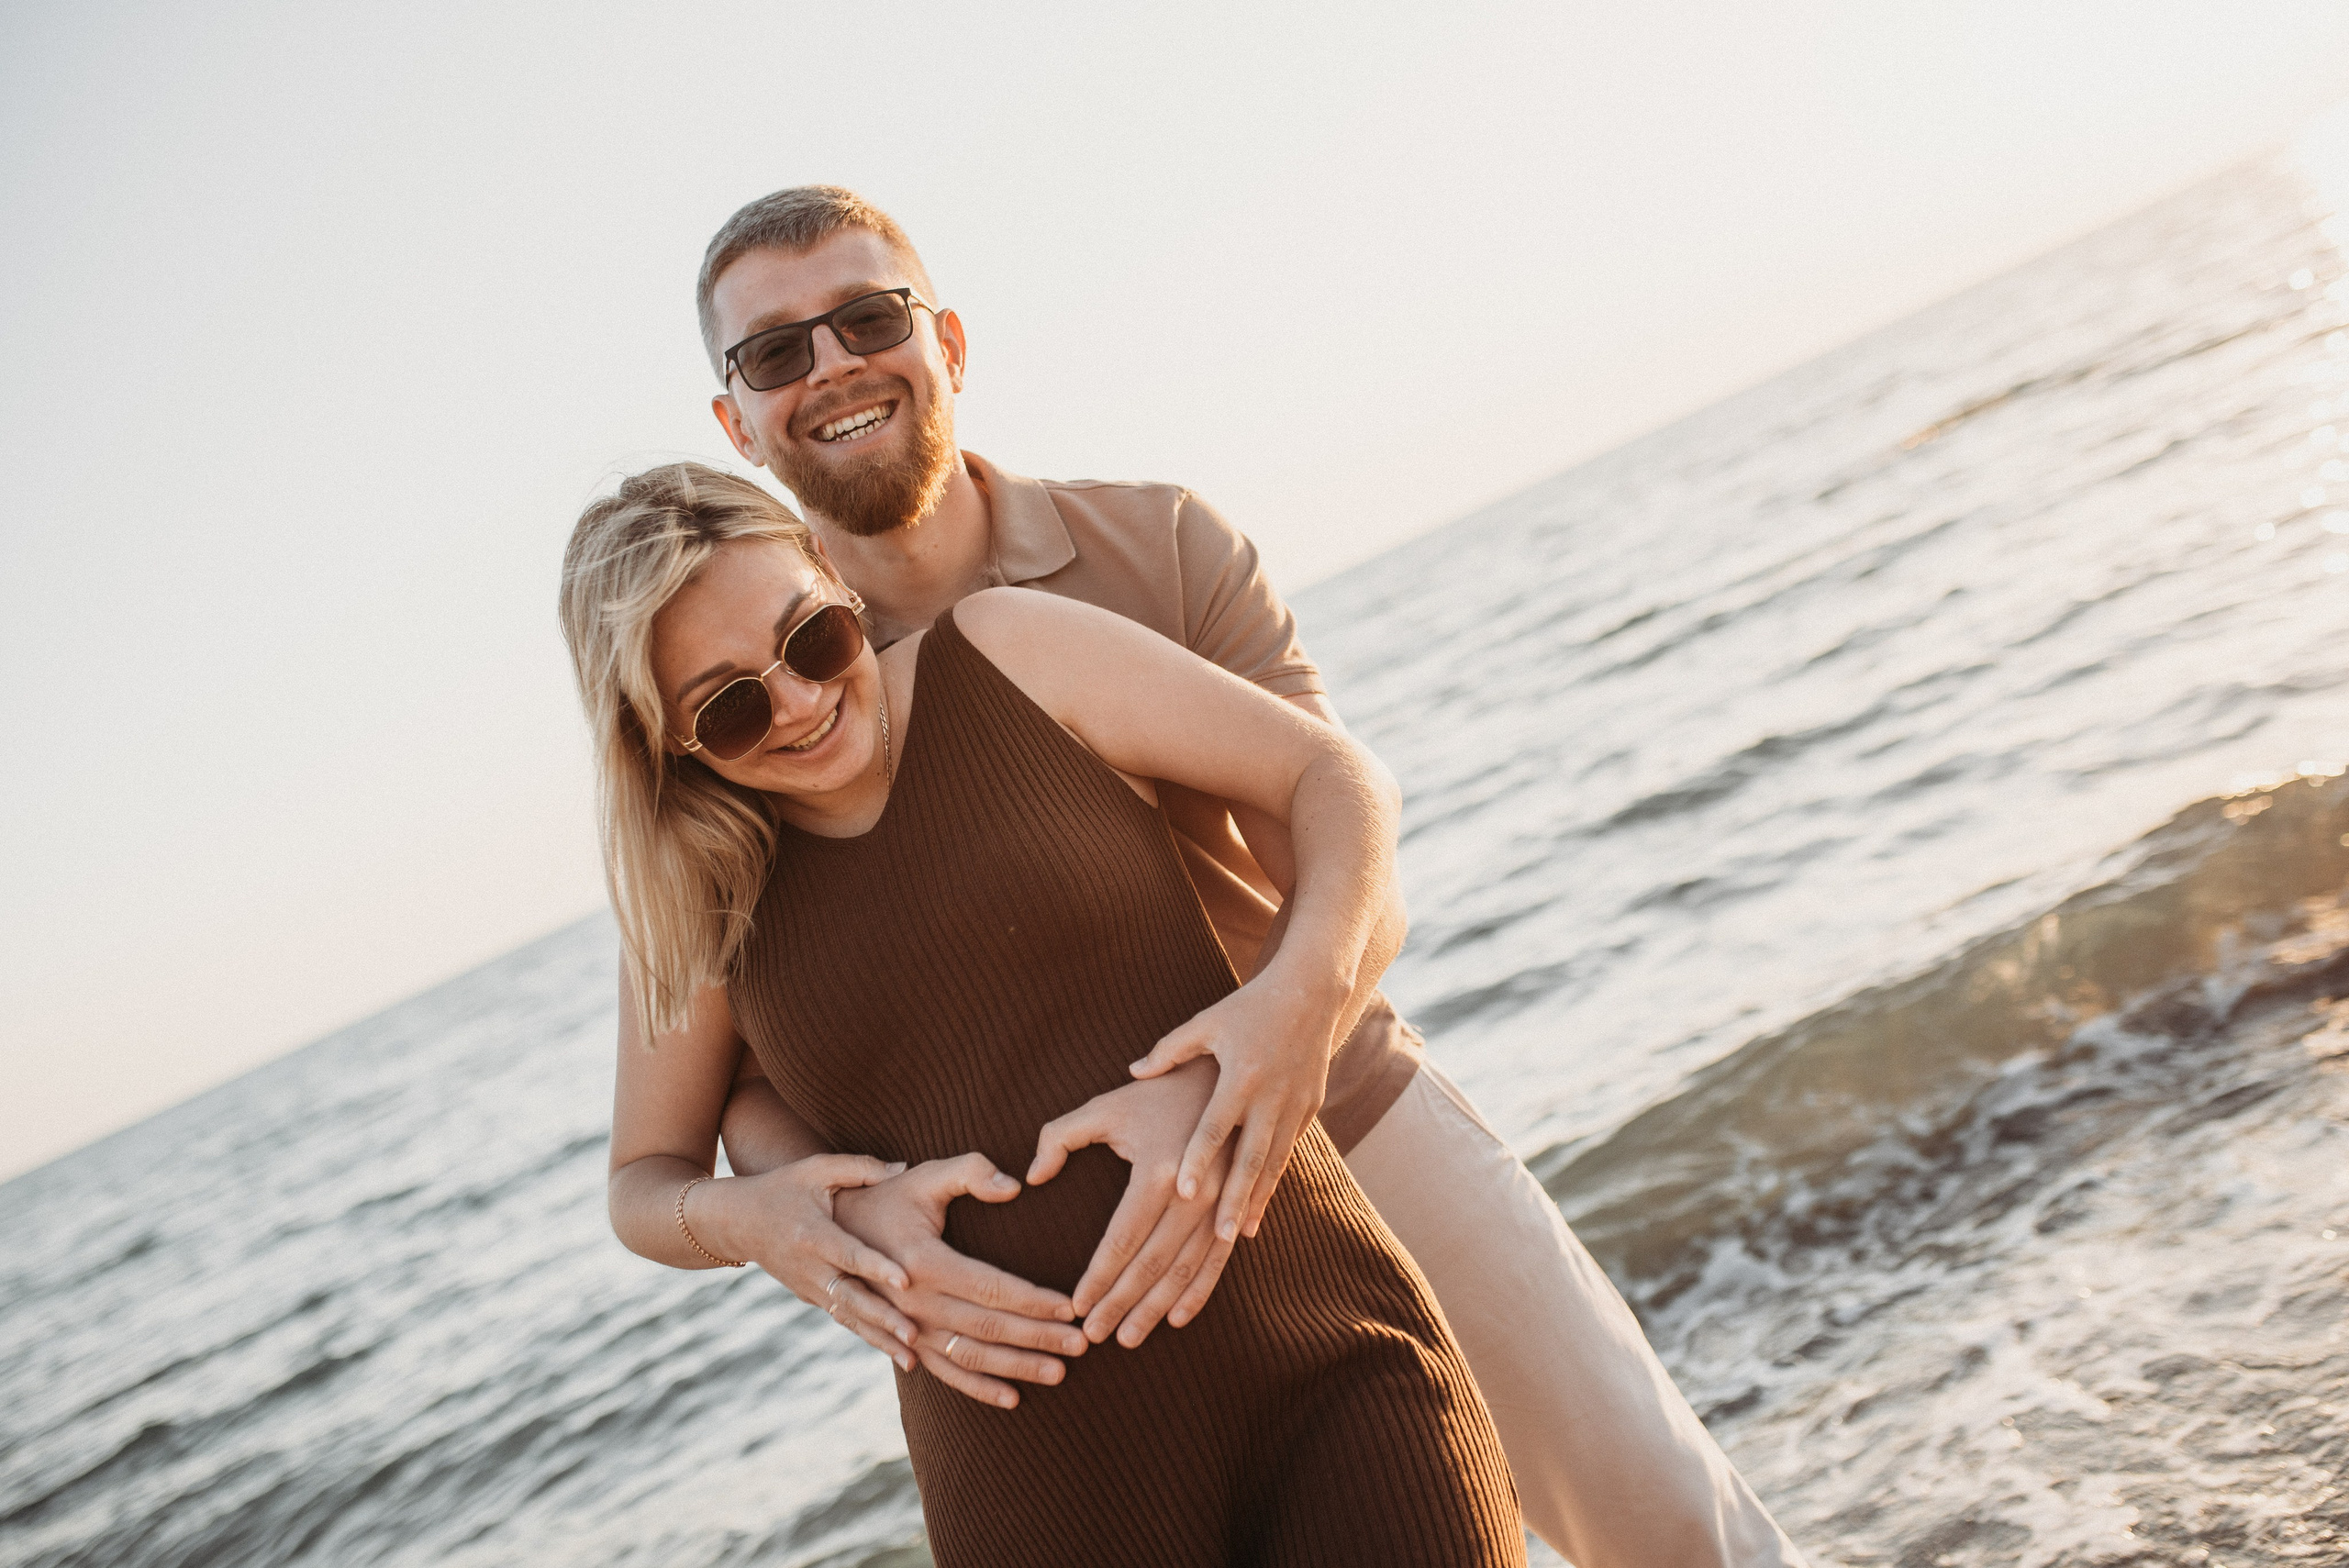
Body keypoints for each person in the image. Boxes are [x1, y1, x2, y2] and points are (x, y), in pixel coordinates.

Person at [664, 184, 1809, 1568]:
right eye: (776, 351)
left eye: (866, 317)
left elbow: (1350, 833)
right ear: (735, 421)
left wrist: (1247, 1060)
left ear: (948, 343)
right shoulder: (757, 705)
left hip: (1343, 1112)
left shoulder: (1158, 544)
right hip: (1085, 1266)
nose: (832, 365)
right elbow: (747, 1060)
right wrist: (833, 1213)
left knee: (1668, 1526)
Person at [566, 464, 1523, 1563]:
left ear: (833, 575)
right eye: (730, 705)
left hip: (1320, 1359)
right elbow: (643, 1177)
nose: (799, 700)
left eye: (814, 638)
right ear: (666, 739)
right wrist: (775, 1220)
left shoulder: (1012, 648)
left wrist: (1280, 1017)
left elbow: (1334, 779)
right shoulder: (700, 901)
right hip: (1034, 1483)